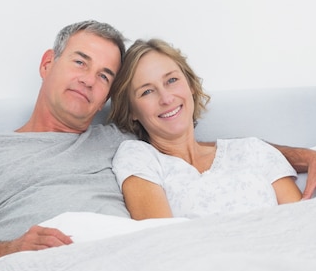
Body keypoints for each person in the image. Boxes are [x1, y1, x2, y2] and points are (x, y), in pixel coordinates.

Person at [0, 20, 316, 271]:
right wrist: (11, 250)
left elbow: (221, 152)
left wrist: (307, 157)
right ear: (48, 63)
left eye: (104, 75)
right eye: (80, 63)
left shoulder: (123, 141)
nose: (89, 80)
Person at [109, 39, 302, 219]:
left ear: (190, 85)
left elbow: (304, 223)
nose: (166, 98)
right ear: (132, 110)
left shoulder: (253, 149)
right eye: (147, 91)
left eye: (171, 80)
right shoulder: (138, 158)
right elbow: (162, 240)